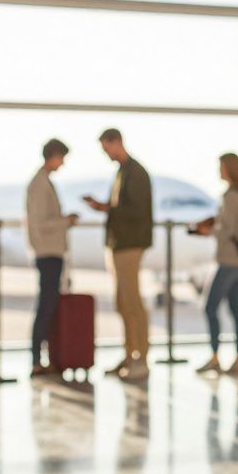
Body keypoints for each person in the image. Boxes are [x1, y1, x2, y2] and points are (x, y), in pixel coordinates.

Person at [84, 128, 153, 381]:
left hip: (129, 245)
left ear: (117, 143)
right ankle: (130, 354)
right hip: (118, 244)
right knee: (122, 302)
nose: (106, 154)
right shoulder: (122, 172)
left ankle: (141, 357)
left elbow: (135, 210)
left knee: (132, 302)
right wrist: (106, 207)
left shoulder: (136, 173)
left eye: (106, 148)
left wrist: (108, 208)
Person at [192, 153, 238, 376]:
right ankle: (237, 359)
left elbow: (228, 230)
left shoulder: (231, 197)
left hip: (229, 261)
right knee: (235, 309)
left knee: (210, 307)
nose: (219, 171)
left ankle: (215, 357)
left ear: (229, 169)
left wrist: (208, 231)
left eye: (221, 167)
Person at [26, 138, 78, 376]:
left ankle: (45, 357)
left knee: (49, 305)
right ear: (54, 156)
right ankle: (37, 359)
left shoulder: (44, 182)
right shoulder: (39, 184)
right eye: (62, 158)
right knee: (46, 307)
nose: (63, 164)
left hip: (52, 252)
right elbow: (41, 223)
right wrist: (65, 221)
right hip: (47, 253)